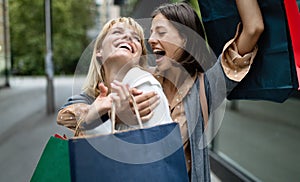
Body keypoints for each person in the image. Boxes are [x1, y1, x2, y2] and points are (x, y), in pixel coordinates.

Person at [147, 1, 263, 181]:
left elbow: (253, 28)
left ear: (185, 39)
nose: (151, 39)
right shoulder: (143, 82)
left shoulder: (206, 87)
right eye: (151, 32)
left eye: (160, 32)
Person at [57, 17, 172, 135]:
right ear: (99, 51)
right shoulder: (90, 98)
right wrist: (113, 114)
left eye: (136, 38)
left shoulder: (145, 87)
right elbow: (63, 117)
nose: (128, 37)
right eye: (117, 32)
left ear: (139, 58)